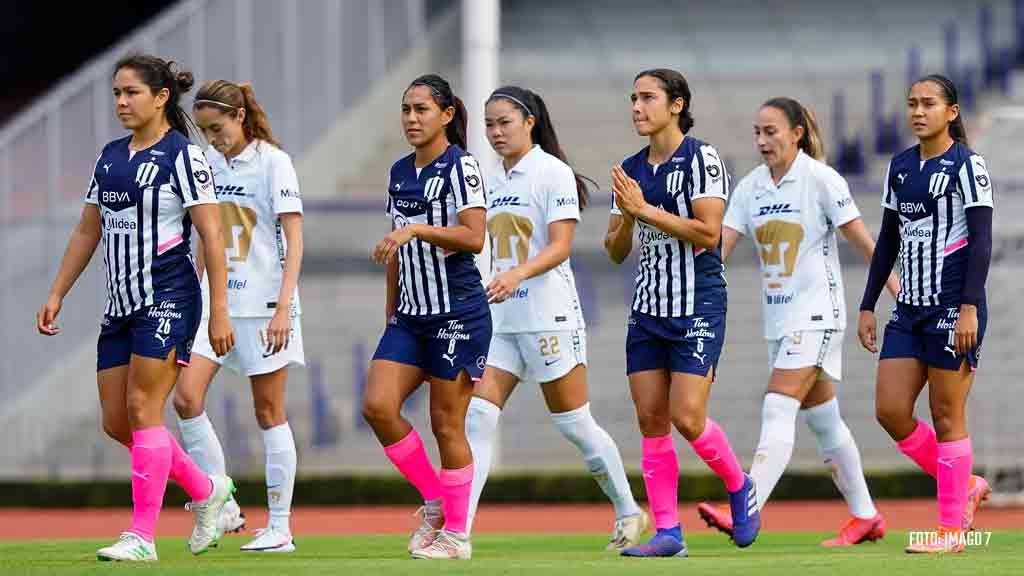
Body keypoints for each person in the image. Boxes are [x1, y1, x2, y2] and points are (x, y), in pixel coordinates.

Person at [35, 54, 235, 562]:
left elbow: (212, 234)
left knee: (145, 409)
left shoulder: (183, 158)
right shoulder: (108, 157)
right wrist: (58, 291)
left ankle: (142, 537)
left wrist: (219, 311)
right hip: (119, 305)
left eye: (132, 93)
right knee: (116, 421)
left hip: (168, 299)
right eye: (117, 94)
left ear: (161, 97)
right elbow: (88, 228)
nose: (122, 102)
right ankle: (207, 489)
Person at [698, 97, 899, 546]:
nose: (762, 140)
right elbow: (719, 253)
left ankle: (746, 508)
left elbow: (868, 244)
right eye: (756, 132)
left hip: (818, 314)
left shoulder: (821, 180)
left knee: (777, 405)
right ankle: (865, 515)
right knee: (825, 422)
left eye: (771, 131)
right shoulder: (750, 188)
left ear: (797, 133)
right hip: (779, 321)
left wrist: (896, 292)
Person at [464, 86, 648, 550]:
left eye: (504, 122)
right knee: (477, 419)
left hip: (548, 317)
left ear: (529, 121)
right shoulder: (490, 178)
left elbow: (560, 246)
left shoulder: (552, 172)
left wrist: (516, 275)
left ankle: (629, 510)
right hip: (501, 322)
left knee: (574, 424)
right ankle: (457, 532)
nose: (495, 132)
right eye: (489, 124)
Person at [604, 68, 759, 557]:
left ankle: (740, 485)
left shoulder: (702, 158)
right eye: (633, 98)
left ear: (676, 105)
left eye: (647, 97)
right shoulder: (628, 169)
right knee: (651, 419)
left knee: (688, 417)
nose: (636, 106)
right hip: (647, 307)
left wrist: (645, 210)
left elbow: (709, 233)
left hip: (697, 304)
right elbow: (614, 250)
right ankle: (669, 533)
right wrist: (627, 216)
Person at [859, 74, 993, 554]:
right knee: (890, 411)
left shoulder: (967, 167)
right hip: (907, 311)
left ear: (951, 112)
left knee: (945, 414)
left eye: (928, 104)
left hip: (952, 308)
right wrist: (868, 303)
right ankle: (966, 485)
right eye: (912, 103)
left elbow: (981, 242)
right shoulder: (900, 166)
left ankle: (951, 532)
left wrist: (969, 307)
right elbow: (887, 240)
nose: (918, 111)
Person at [172, 79, 306, 553]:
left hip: (266, 307)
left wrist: (284, 309)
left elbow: (293, 240)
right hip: (215, 304)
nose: (213, 138)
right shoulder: (205, 163)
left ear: (240, 117)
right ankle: (222, 503)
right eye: (206, 131)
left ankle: (280, 527)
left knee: (269, 412)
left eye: (218, 128)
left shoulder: (274, 162)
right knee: (186, 399)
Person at [362, 74, 490, 560]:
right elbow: (397, 247)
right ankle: (436, 500)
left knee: (446, 424)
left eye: (421, 110)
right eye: (406, 110)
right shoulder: (399, 171)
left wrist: (415, 228)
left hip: (457, 314)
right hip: (410, 318)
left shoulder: (462, 167)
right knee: (377, 406)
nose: (411, 119)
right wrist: (391, 313)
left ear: (446, 115)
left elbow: (474, 237)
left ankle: (457, 536)